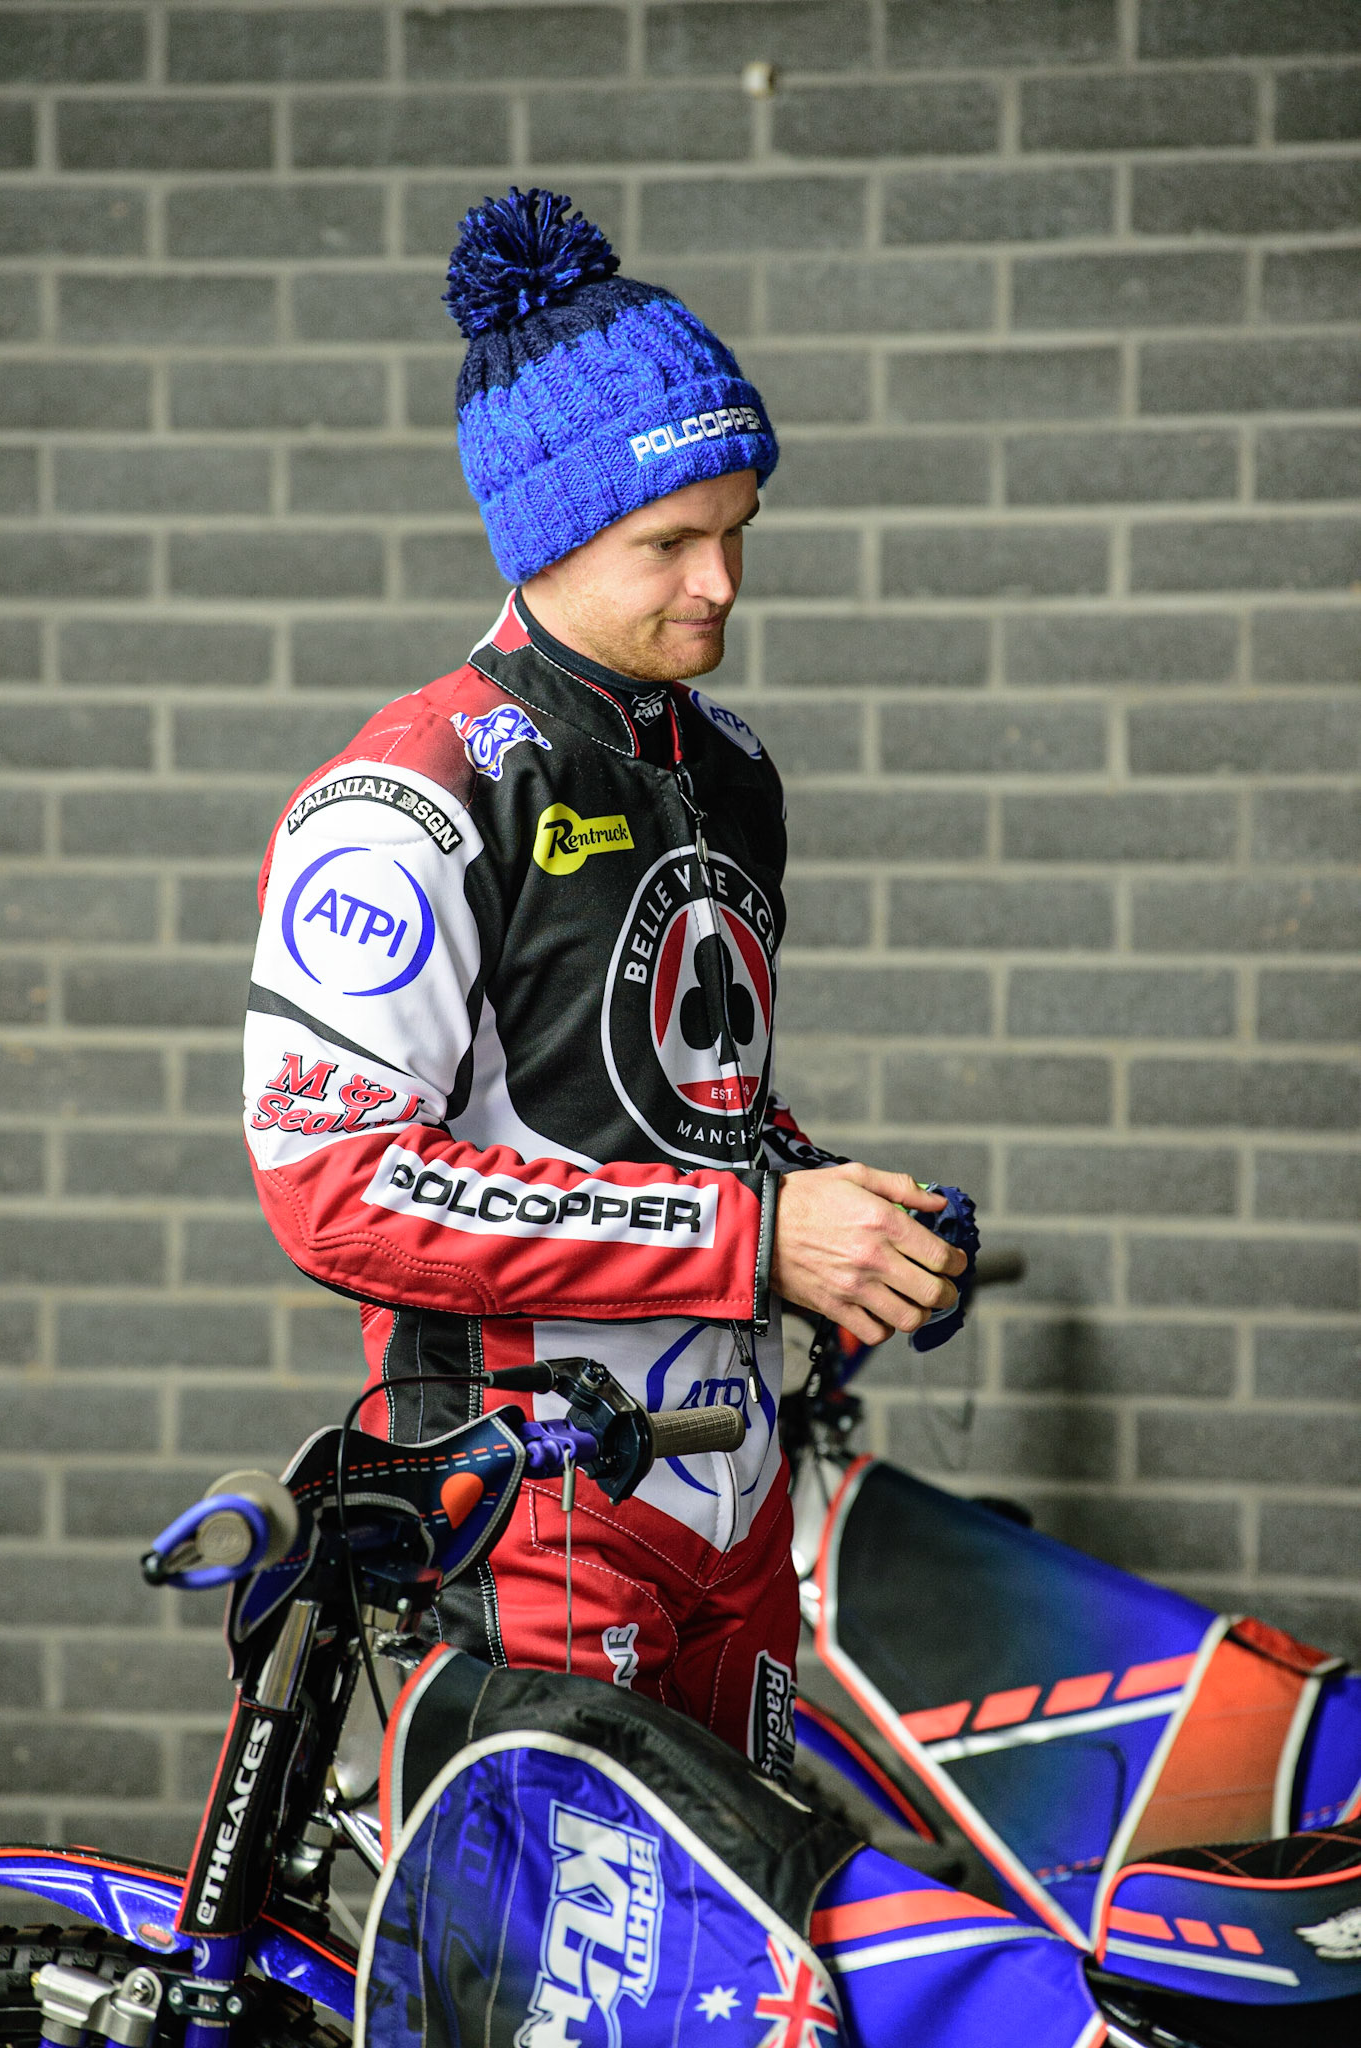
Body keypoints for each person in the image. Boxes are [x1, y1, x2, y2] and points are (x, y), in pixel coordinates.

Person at [243, 190, 965, 1777]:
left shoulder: (732, 765)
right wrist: (759, 1235)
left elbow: (672, 1114)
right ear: (548, 532)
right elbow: (336, 1191)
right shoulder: (409, 795)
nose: (721, 583)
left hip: (734, 1492)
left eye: (736, 531)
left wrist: (834, 1207)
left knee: (750, 1980)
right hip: (536, 1513)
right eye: (670, 542)